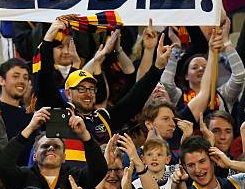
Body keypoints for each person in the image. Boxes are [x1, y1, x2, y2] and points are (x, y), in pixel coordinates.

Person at [37, 19, 172, 146]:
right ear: (68, 93)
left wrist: (157, 67)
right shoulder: (59, 113)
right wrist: (48, 39)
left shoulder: (103, 119)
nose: (88, 93)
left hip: (100, 171)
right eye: (82, 89)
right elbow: (45, 80)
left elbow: (135, 98)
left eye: (91, 89)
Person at [0, 107, 108, 189]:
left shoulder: (75, 178)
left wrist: (84, 134)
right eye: (45, 146)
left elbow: (99, 170)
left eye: (56, 146)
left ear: (64, 157)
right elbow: (2, 165)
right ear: (34, 156)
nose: (50, 148)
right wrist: (30, 128)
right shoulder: (22, 177)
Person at [0, 59, 32, 141]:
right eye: (16, 76)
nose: (21, 81)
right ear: (1, 80)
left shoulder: (30, 117)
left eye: (25, 78)